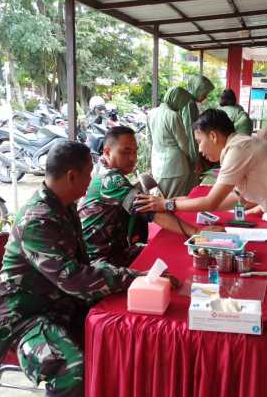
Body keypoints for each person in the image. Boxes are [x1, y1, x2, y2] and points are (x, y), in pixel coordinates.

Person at [0, 141, 151, 397]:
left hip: (62, 306)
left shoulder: (63, 208)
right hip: (26, 319)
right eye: (89, 174)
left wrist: (129, 275)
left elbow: (84, 268)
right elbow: (75, 280)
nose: (91, 180)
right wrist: (131, 278)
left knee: (126, 334)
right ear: (71, 176)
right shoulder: (38, 218)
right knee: (70, 367)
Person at [135, 109, 267, 326]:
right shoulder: (243, 146)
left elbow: (212, 201)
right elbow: (238, 198)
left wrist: (168, 203)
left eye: (199, 141)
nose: (199, 149)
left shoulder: (238, 149)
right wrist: (181, 203)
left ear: (213, 136)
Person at [79, 126, 201, 266]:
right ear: (107, 151)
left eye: (135, 152)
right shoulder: (110, 180)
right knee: (173, 262)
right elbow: (151, 211)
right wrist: (197, 232)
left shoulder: (103, 169)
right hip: (100, 259)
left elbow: (151, 203)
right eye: (125, 152)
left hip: (117, 248)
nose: (133, 158)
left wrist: (176, 202)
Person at [147, 86, 193, 197]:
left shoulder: (151, 113)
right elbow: (184, 145)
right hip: (176, 167)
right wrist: (191, 159)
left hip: (157, 166)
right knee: (175, 202)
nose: (182, 106)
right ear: (177, 100)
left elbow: (149, 140)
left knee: (161, 199)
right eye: (182, 103)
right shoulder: (173, 116)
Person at [181, 75, 215, 187]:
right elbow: (190, 132)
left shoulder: (190, 102)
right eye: (204, 93)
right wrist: (196, 159)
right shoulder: (189, 104)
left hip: (188, 152)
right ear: (197, 89)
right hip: (189, 153)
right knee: (191, 186)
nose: (205, 97)